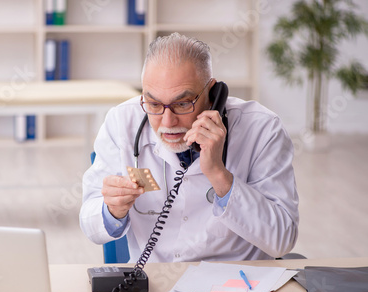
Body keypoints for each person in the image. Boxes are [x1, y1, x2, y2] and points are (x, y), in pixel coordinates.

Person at [80, 33, 299, 262]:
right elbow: (89, 220)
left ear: (212, 94)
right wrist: (111, 211)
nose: (167, 122)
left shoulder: (262, 129)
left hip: (236, 285)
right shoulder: (121, 123)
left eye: (182, 103)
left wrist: (219, 175)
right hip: (155, 287)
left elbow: (282, 240)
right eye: (154, 103)